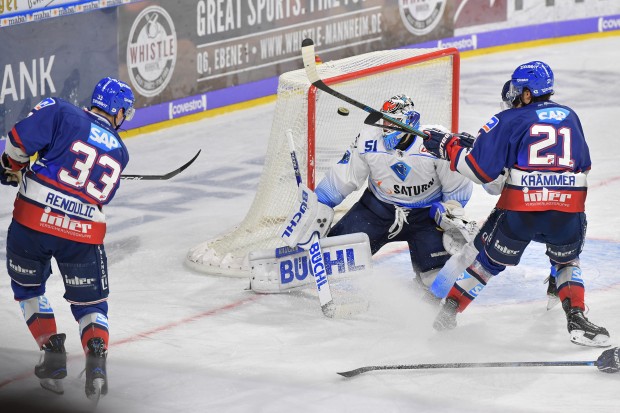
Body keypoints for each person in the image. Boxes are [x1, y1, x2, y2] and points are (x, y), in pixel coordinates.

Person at [422, 61, 610, 347]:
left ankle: (448, 314)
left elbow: (480, 170)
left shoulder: (507, 119)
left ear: (526, 93)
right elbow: (583, 167)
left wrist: (449, 145)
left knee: (486, 264)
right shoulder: (571, 116)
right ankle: (576, 317)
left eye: (517, 88)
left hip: (521, 214)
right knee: (567, 260)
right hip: (568, 212)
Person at [1, 77, 135, 398]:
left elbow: (17, 140)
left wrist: (12, 166)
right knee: (91, 304)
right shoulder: (119, 151)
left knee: (29, 290)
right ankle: (97, 360)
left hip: (34, 219)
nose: (125, 119)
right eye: (125, 113)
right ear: (115, 110)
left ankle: (52, 353)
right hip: (83, 232)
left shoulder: (61, 111)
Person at [312, 94, 473, 290]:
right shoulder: (369, 140)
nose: (387, 127)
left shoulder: (436, 143)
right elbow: (343, 176)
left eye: (394, 121)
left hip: (427, 218)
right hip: (377, 210)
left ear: (411, 121)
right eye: (385, 120)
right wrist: (320, 203)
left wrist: (451, 210)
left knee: (436, 281)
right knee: (331, 260)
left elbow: (457, 187)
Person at [428, 80, 560, 310]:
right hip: (560, 204)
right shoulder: (562, 120)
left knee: (475, 254)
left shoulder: (508, 124)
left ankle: (439, 300)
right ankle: (558, 283)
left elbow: (493, 186)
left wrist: (474, 154)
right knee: (564, 248)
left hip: (520, 208)